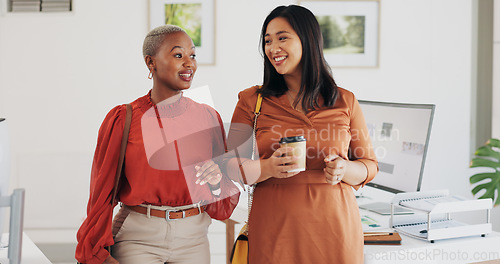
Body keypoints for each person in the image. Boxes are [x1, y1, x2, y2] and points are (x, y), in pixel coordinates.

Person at [223, 5, 378, 264]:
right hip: (274, 229)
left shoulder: (345, 101)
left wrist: (344, 169)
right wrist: (268, 167)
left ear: (308, 40)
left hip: (336, 229)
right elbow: (228, 166)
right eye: (267, 41)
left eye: (282, 38)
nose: (273, 48)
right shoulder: (252, 100)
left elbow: (369, 165)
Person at [76, 25, 239, 264]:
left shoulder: (207, 117)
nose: (189, 63)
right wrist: (94, 251)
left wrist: (215, 182)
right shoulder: (124, 118)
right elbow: (101, 193)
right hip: (137, 239)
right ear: (150, 62)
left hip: (194, 238)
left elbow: (221, 205)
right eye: (178, 55)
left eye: (192, 55)